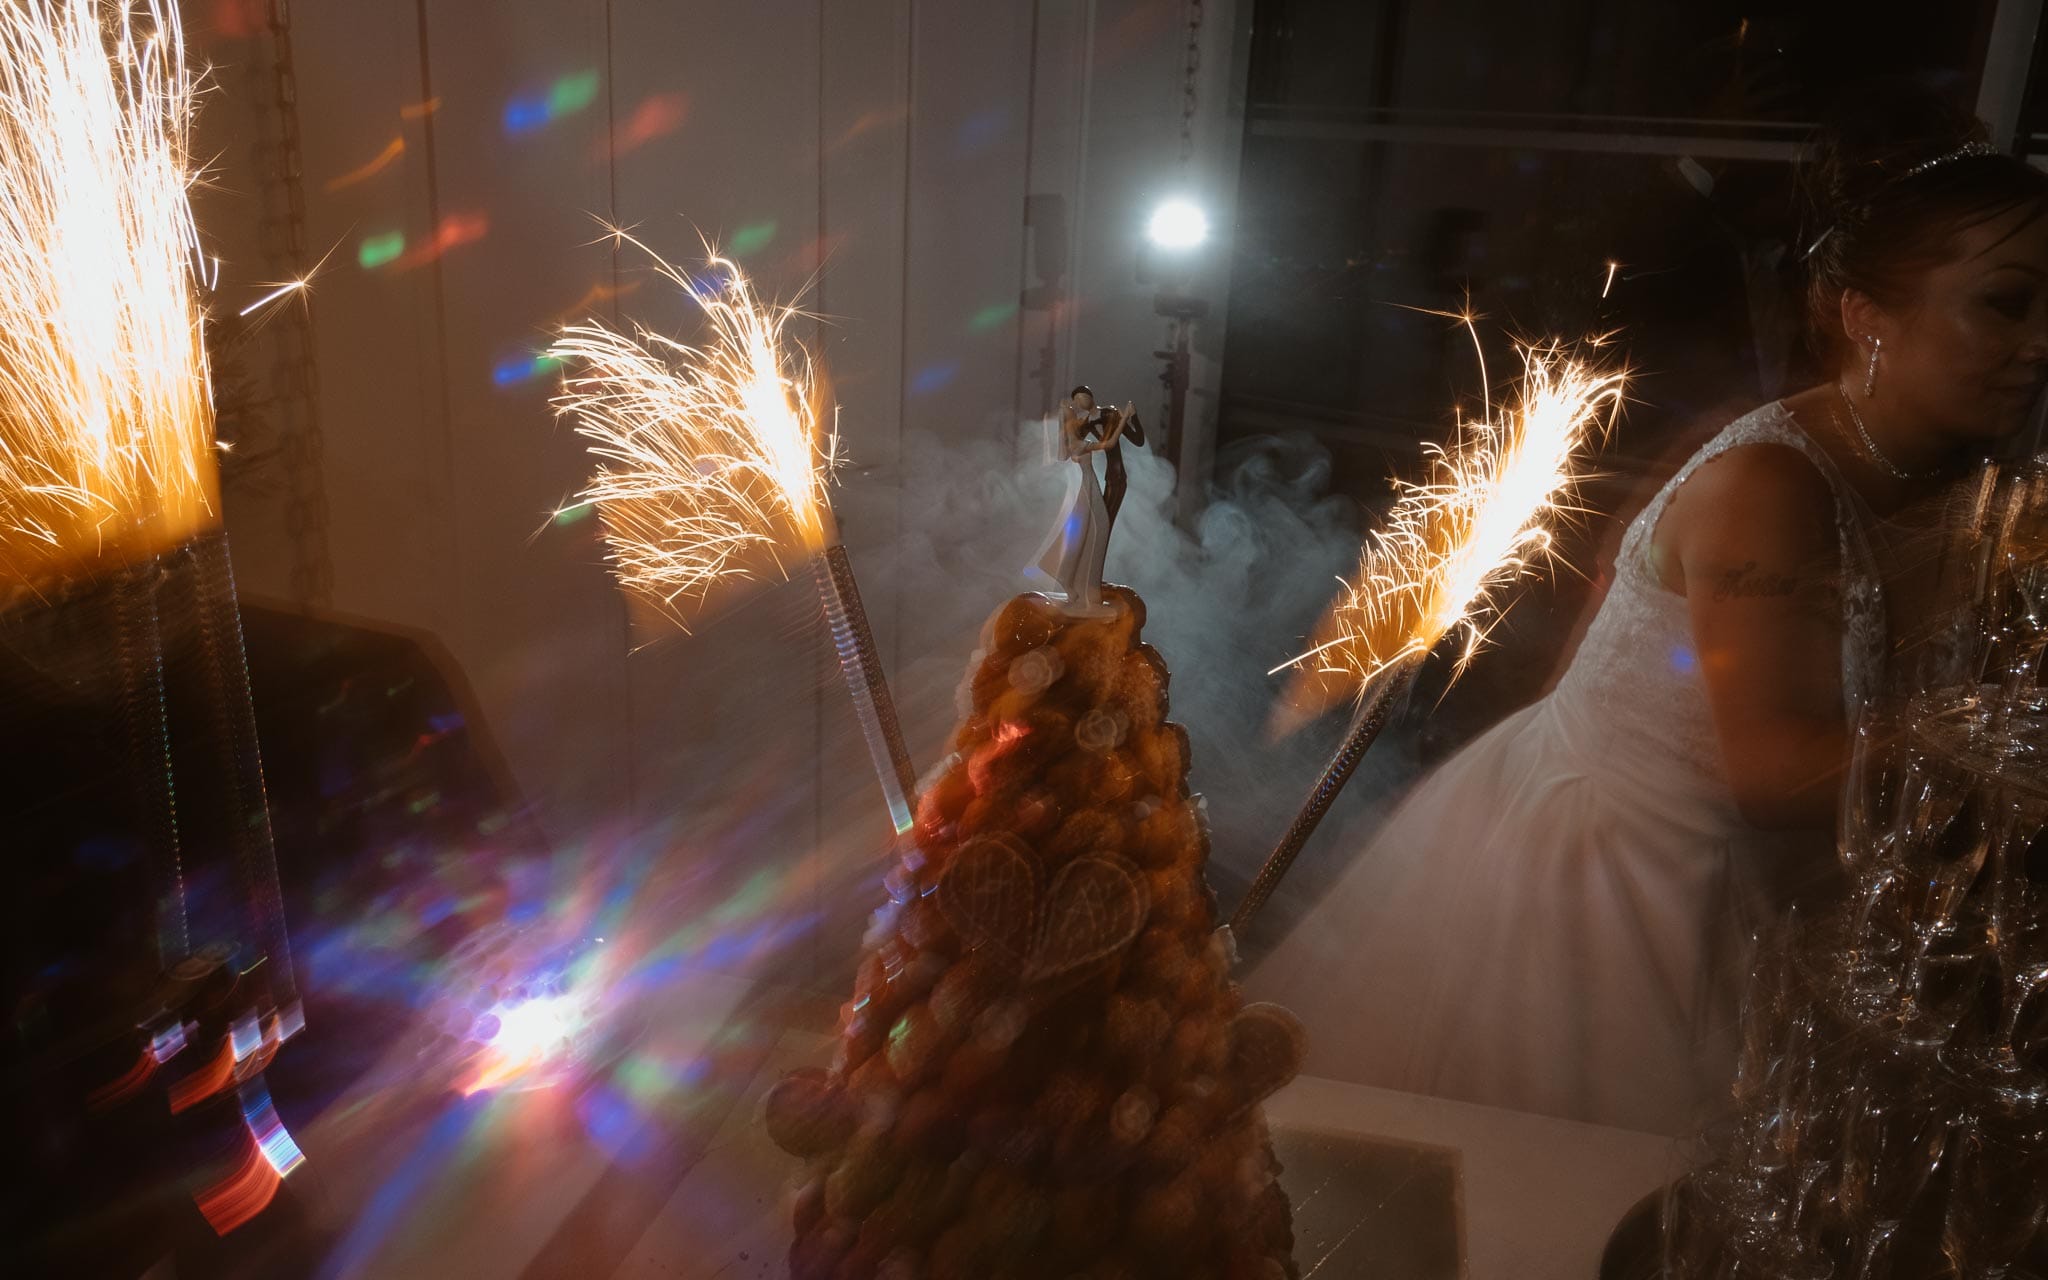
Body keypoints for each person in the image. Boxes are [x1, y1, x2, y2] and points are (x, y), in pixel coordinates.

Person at [1249, 90, 2048, 1136]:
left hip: (1772, 889)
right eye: (2004, 303)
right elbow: (1767, 769)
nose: (2039, 343)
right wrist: (1992, 741)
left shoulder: (1963, 480)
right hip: (1611, 892)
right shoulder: (1770, 486)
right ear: (1866, 315)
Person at [1027, 389, 1129, 617]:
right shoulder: (1077, 443)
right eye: (1074, 415)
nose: (1078, 418)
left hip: (1087, 485)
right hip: (1086, 487)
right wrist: (1123, 419)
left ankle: (1080, 586)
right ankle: (1083, 587)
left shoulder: (1077, 440)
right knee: (1095, 531)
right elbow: (1109, 444)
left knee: (1091, 534)